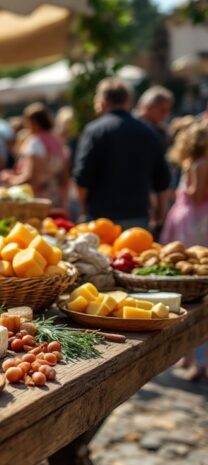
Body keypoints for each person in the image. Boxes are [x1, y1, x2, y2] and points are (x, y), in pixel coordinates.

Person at [73, 78, 171, 229]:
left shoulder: (94, 131)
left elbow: (82, 177)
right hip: (138, 217)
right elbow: (162, 179)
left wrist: (83, 209)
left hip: (101, 218)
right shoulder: (147, 131)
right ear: (128, 101)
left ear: (103, 100)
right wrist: (160, 215)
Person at [162, 120, 208, 381]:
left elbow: (197, 194)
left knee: (188, 281)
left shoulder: (198, 164)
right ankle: (191, 357)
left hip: (194, 221)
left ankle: (195, 360)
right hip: (196, 219)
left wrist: (184, 186)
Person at [0, 103, 68, 208]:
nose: (25, 125)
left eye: (26, 121)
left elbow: (30, 177)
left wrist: (9, 179)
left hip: (38, 200)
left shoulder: (35, 142)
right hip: (56, 198)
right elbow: (64, 176)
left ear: (34, 123)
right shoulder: (57, 141)